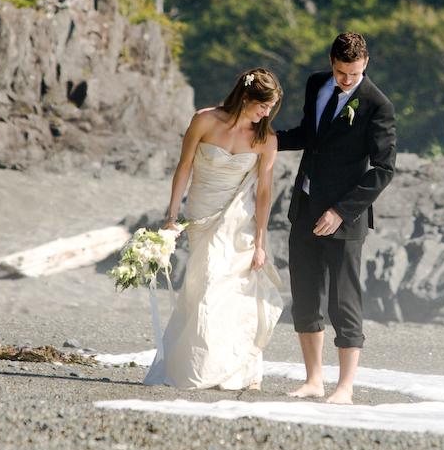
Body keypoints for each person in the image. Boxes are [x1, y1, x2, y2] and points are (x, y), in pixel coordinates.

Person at [144, 69, 285, 390]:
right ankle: (198, 367)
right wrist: (171, 215)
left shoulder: (266, 140)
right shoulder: (204, 121)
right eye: (263, 107)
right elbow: (184, 165)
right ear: (247, 99)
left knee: (236, 290)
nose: (266, 114)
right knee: (206, 285)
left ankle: (240, 371)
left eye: (270, 109)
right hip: (202, 213)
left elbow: (264, 191)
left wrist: (261, 240)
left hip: (241, 219)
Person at [276, 33, 397, 404]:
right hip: (305, 207)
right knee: (304, 295)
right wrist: (264, 139)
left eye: (355, 73)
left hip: (345, 218)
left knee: (344, 302)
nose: (347, 80)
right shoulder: (316, 83)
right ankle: (314, 380)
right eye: (342, 72)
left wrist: (340, 212)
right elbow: (310, 136)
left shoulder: (378, 105)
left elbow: (383, 169)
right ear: (331, 61)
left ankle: (345, 387)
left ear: (366, 64)